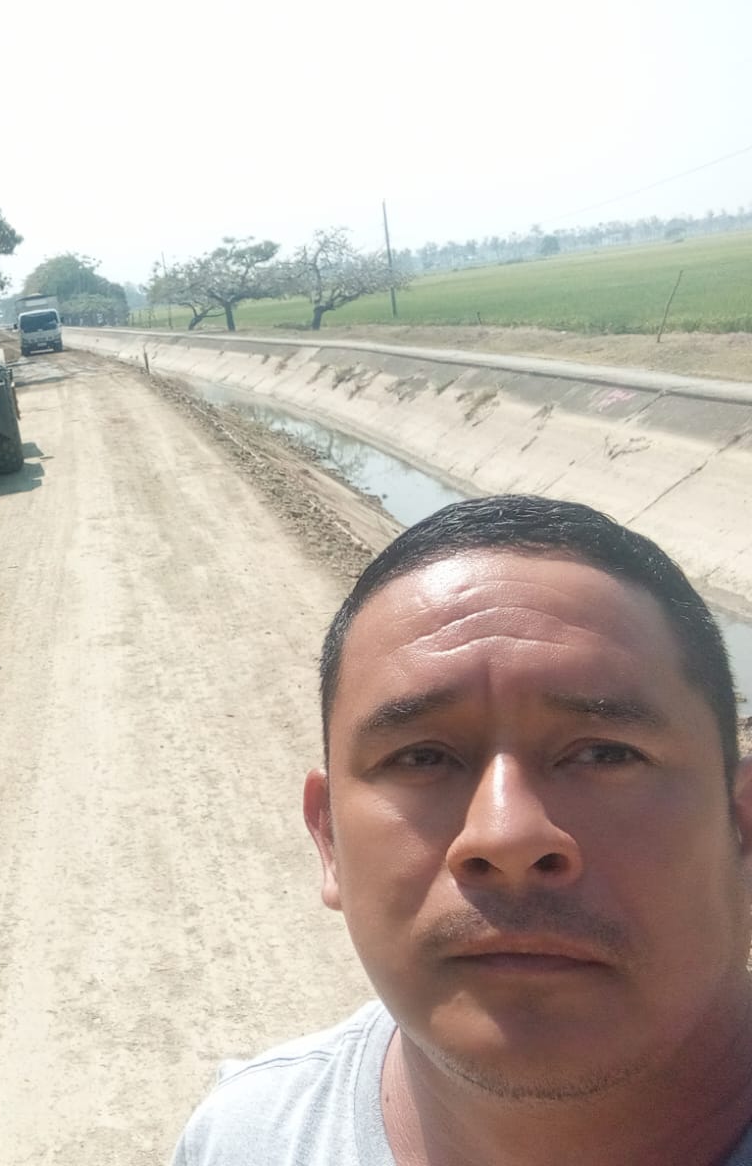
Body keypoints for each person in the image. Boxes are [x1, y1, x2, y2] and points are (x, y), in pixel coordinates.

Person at [171, 494, 752, 1166]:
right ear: (329, 840)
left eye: (604, 753)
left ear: (742, 826)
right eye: (422, 758)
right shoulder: (243, 1142)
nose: (505, 836)